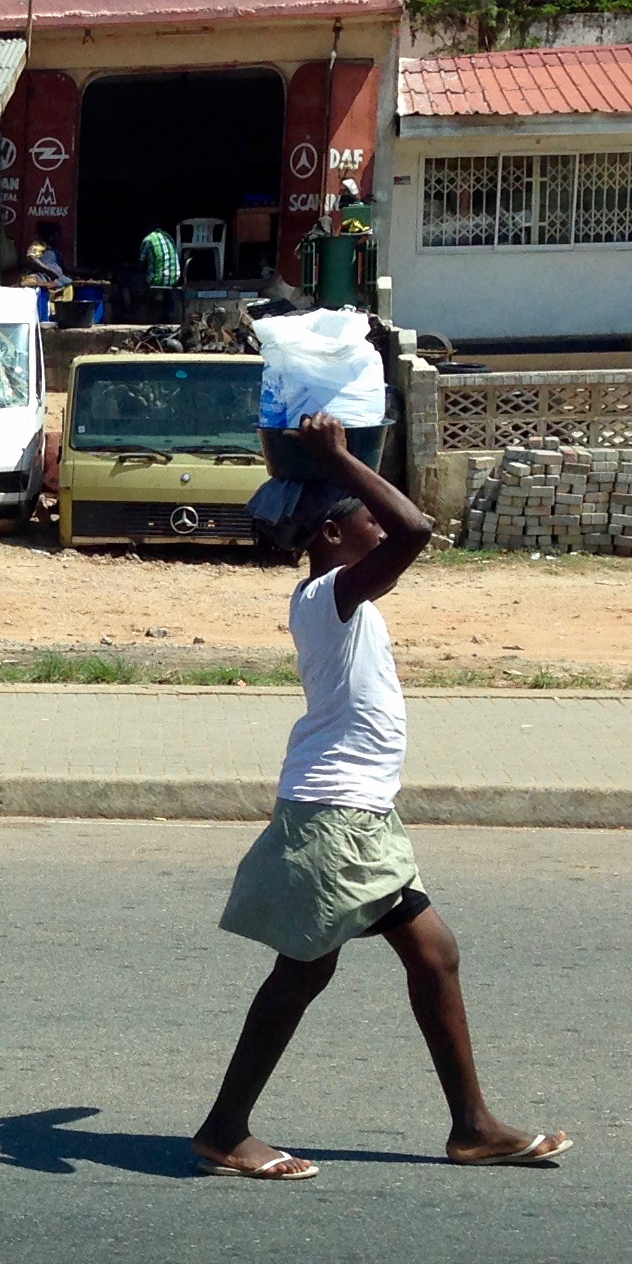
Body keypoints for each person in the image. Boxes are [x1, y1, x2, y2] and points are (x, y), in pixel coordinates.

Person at [193, 417, 573, 1183]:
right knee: (304, 972)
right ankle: (225, 1130)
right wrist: (339, 458)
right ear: (332, 537)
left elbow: (399, 530)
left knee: (435, 955)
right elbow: (415, 530)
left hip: (360, 814)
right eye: (361, 514)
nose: (377, 520)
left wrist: (340, 465)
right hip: (335, 815)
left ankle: (472, 1127)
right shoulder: (331, 594)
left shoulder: (343, 601)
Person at [136, 224, 183, 325]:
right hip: (174, 279)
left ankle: (135, 315)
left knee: (134, 278)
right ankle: (169, 317)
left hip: (157, 280)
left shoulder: (148, 240)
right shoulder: (168, 237)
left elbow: (140, 263)